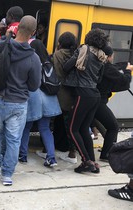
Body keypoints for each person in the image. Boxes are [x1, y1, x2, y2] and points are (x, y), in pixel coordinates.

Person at [0, 15, 41, 186]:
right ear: (33, 33)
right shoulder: (34, 58)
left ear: (17, 29)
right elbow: (34, 86)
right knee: (13, 140)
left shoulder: (0, 45)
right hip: (17, 104)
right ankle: (7, 175)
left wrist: (6, 35)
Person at [63, 28, 109, 174]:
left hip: (83, 94)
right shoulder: (101, 56)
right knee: (83, 129)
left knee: (72, 128)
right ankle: (93, 162)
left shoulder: (83, 51)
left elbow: (66, 67)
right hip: (95, 95)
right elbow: (100, 78)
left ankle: (86, 161)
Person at [19, 39, 61, 167]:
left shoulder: (31, 60)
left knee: (26, 128)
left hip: (34, 98)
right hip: (49, 99)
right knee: (45, 129)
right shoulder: (50, 62)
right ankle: (51, 157)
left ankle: (23, 155)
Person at [95, 45, 133, 161]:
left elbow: (114, 67)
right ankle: (106, 154)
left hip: (92, 100)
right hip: (98, 102)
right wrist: (128, 70)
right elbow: (124, 81)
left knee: (95, 124)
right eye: (112, 57)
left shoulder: (98, 64)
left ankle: (109, 147)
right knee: (113, 127)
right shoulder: (107, 68)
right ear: (109, 57)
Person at [52, 32, 78, 164]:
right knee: (69, 124)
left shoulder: (58, 55)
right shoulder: (76, 54)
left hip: (60, 94)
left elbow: (55, 72)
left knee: (56, 121)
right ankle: (69, 149)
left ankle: (56, 148)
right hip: (74, 94)